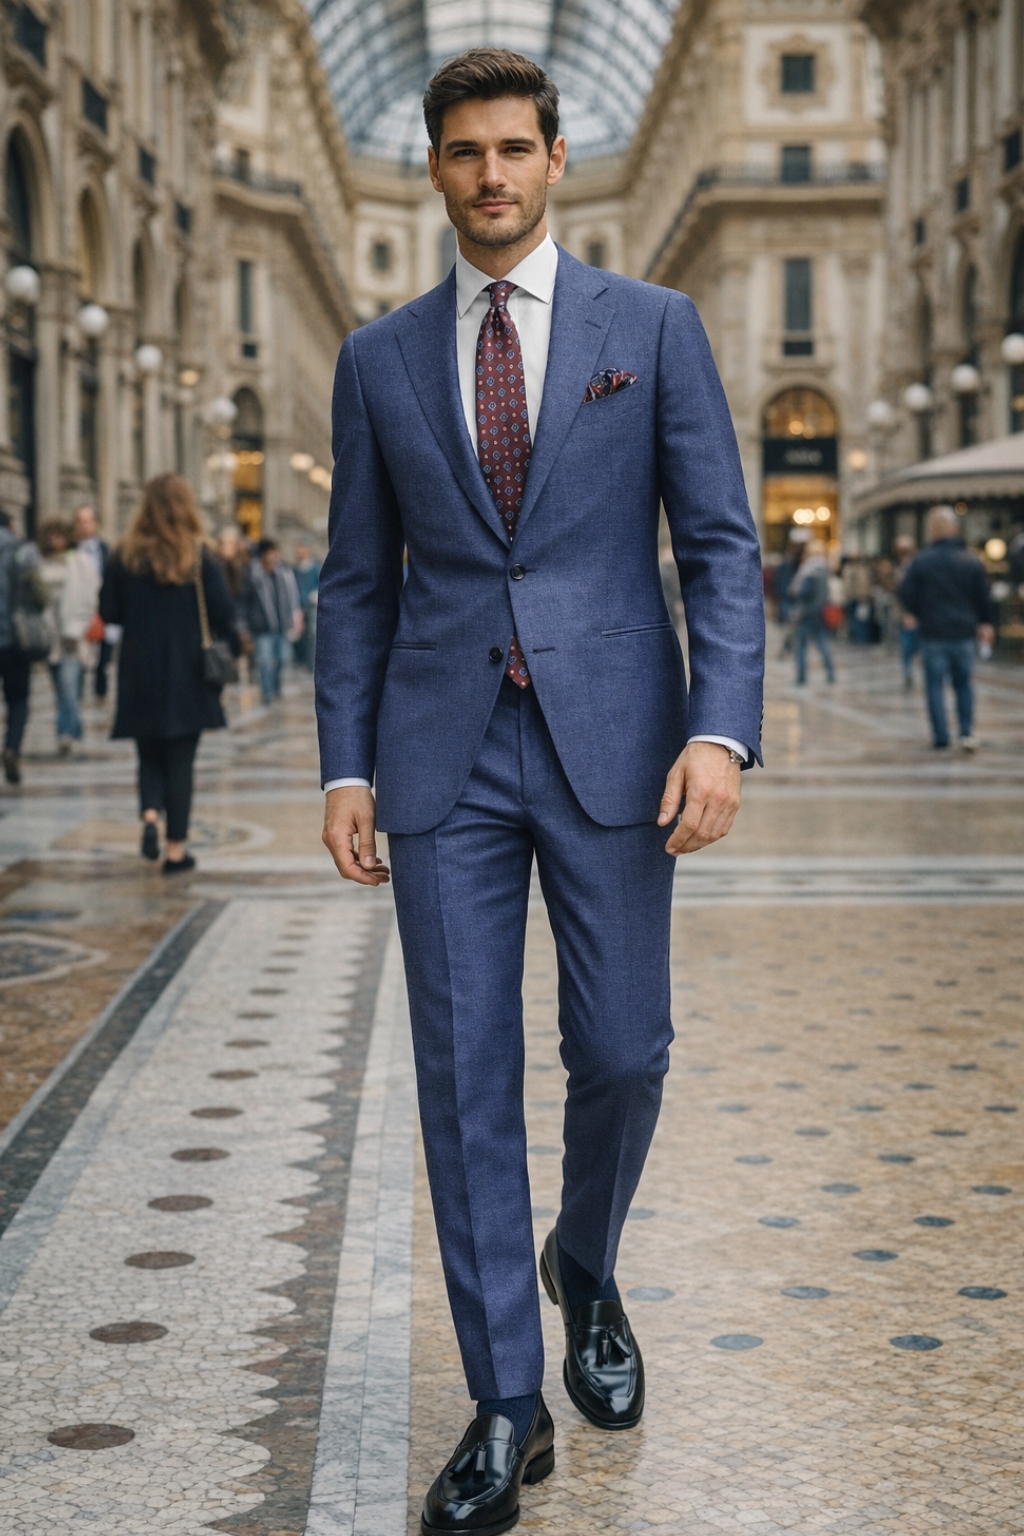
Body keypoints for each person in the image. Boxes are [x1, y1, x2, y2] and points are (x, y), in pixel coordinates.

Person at [315, 49, 764, 1535]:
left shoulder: (655, 327)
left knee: (626, 1047)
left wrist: (723, 731)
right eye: (463, 153)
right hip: (442, 754)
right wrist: (346, 761)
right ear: (433, 172)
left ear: (557, 161)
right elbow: (354, 584)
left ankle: (587, 1254)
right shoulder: (378, 359)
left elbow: (720, 545)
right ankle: (508, 1398)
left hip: (618, 745)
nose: (491, 175)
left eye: (515, 149)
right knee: (461, 1072)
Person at [99, 473, 238, 872]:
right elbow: (223, 612)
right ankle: (175, 850)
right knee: (181, 762)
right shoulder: (197, 555)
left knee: (147, 754)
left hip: (139, 670)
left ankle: (148, 815)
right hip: (188, 673)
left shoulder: (124, 555)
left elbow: (109, 612)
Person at [898, 504, 995, 751]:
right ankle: (966, 732)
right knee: (963, 683)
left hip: (933, 632)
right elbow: (983, 596)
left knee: (934, 685)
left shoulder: (922, 560)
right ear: (954, 528)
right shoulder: (970, 560)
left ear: (931, 529)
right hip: (963, 630)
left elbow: (907, 593)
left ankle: (941, 735)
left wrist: (919, 613)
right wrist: (985, 622)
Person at [38, 519, 100, 753]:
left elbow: (90, 595)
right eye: (51, 535)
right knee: (60, 687)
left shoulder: (79, 561)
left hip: (73, 635)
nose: (55, 540)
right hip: (50, 635)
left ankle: (65, 733)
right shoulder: (41, 562)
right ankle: (74, 728)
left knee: (68, 685)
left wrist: (77, 627)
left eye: (59, 535)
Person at [0, 509, 46, 784]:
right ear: (12, 525)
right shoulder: (22, 552)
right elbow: (39, 596)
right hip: (16, 639)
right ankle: (12, 748)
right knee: (18, 700)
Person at [240, 537, 303, 704]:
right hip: (262, 626)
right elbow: (244, 601)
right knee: (265, 662)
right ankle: (267, 693)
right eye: (270, 552)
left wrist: (295, 618)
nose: (274, 555)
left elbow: (292, 596)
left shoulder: (284, 572)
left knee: (283, 659)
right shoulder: (252, 574)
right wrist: (244, 626)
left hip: (282, 623)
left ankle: (275, 687)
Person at [72, 504, 112, 697]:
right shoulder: (70, 551)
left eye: (87, 521)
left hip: (101, 611)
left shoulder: (106, 550)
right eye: (80, 521)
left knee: (103, 659)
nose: (84, 525)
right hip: (76, 611)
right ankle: (77, 691)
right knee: (78, 658)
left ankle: (100, 690)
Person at [791, 538, 835, 685]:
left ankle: (801, 676)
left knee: (801, 646)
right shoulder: (824, 568)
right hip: (819, 611)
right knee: (822, 643)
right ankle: (830, 672)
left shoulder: (810, 569)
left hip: (807, 612)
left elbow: (802, 591)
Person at [893, 533, 920, 689]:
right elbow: (899, 593)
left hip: (917, 614)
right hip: (905, 614)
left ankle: (911, 671)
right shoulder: (899, 569)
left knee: (915, 645)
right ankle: (908, 672)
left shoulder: (918, 567)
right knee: (907, 646)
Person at [291, 539, 321, 671]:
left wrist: (314, 595)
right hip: (299, 607)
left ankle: (313, 664)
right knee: (299, 635)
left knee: (313, 635)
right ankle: (302, 662)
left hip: (313, 606)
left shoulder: (315, 568)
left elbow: (320, 583)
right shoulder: (295, 569)